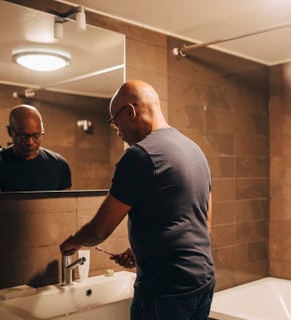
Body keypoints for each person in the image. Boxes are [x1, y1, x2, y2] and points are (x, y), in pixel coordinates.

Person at [60, 80, 215, 320]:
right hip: (202, 282)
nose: (117, 131)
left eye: (114, 122)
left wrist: (74, 242)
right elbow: (200, 222)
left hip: (165, 290)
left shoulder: (139, 156)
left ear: (130, 112)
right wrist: (143, 249)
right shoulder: (194, 150)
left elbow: (99, 230)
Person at [0, 104, 71, 192]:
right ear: (10, 131)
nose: (30, 142)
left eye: (36, 136)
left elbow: (65, 204)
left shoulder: (59, 164)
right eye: (23, 136)